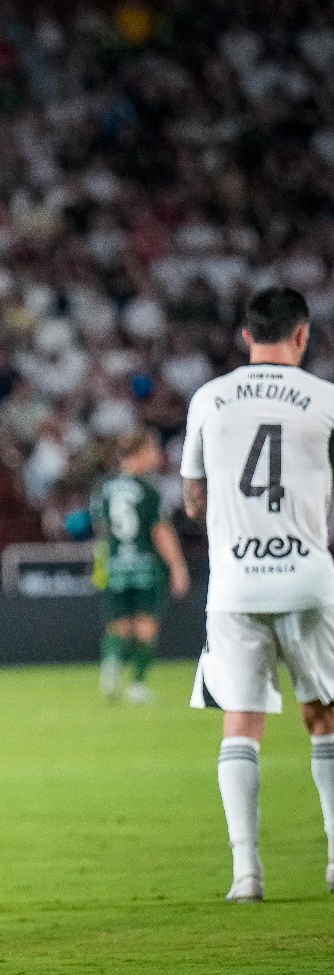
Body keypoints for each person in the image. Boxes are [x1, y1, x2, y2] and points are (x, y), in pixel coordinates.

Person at [181, 286, 334, 903]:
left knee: (240, 727)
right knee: (323, 717)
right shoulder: (325, 400)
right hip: (308, 579)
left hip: (236, 584)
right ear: (302, 336)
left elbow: (194, 498)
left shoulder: (209, 399)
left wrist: (229, 526)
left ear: (246, 336)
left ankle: (247, 874)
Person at [92, 428, 190, 703]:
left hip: (115, 564)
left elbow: (100, 527)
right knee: (146, 624)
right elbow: (160, 531)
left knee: (118, 625)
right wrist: (177, 567)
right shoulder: (147, 490)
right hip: (145, 564)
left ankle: (111, 667)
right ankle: (137, 684)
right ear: (141, 453)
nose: (157, 456)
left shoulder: (104, 487)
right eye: (153, 450)